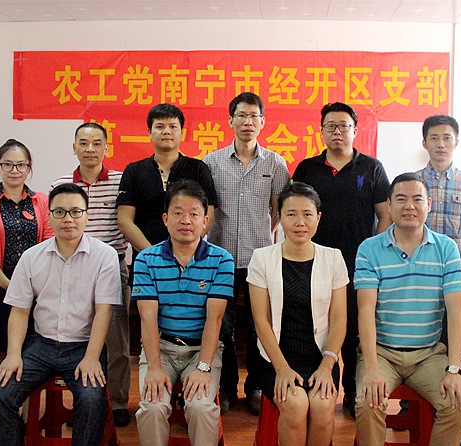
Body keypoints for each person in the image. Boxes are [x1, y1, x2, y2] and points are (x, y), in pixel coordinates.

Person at [0, 183, 122, 445]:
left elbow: (104, 311)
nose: (68, 219)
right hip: (40, 345)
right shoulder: (32, 257)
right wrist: (13, 354)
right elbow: (19, 311)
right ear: (49, 216)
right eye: (59, 212)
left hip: (83, 346)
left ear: (87, 216)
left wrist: (92, 357)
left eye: (75, 212)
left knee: (91, 401)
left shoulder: (105, 256)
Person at [354, 172, 461, 446]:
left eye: (417, 199)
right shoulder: (369, 249)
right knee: (368, 402)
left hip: (428, 355)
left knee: (458, 405)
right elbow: (365, 311)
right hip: (382, 354)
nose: (409, 206)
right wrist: (371, 368)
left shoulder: (446, 248)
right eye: (401, 199)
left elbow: (456, 311)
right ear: (389, 205)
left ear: (429, 204)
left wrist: (454, 368)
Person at [293, 102, 391, 417]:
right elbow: (295, 212)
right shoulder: (307, 169)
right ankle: (322, 387)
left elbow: (385, 215)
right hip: (314, 263)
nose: (337, 131)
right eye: (331, 126)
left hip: (357, 263)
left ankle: (351, 392)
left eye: (344, 126)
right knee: (317, 325)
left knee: (353, 329)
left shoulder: (372, 168)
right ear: (321, 131)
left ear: (355, 130)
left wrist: (373, 252)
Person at [203, 92, 290, 414]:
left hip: (260, 259)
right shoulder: (211, 163)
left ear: (263, 122)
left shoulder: (275, 164)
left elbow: (279, 209)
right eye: (241, 115)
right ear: (230, 121)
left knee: (259, 327)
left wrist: (266, 236)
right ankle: (225, 388)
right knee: (221, 327)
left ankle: (256, 386)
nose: (247, 122)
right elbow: (207, 209)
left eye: (254, 116)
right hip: (221, 257)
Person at [133, 179, 234, 446]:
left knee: (201, 407)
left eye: (193, 214)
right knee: (152, 407)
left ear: (205, 220)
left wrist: (203, 368)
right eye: (178, 213)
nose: (185, 220)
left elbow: (215, 318)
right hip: (161, 348)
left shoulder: (221, 260)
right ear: (165, 219)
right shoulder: (146, 260)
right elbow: (147, 318)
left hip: (202, 350)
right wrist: (154, 367)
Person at [248, 181, 348, 445]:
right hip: (274, 357)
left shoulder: (333, 258)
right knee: (295, 404)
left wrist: (327, 366)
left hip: (320, 356)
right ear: (280, 218)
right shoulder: (262, 258)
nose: (299, 222)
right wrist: (281, 369)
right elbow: (261, 321)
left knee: (323, 405)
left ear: (318, 218)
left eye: (307, 214)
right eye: (291, 214)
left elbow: (339, 320)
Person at [51, 122, 132, 427]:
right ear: (74, 147)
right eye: (83, 143)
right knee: (79, 340)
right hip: (72, 269)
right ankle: (85, 403)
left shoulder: (121, 181)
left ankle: (118, 401)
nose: (90, 149)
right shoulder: (61, 185)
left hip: (112, 269)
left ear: (106, 148)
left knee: (117, 341)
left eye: (97, 143)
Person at [0, 138, 54, 369]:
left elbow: (49, 244)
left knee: (35, 354)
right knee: (4, 354)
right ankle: (2, 393)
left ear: (29, 168)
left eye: (21, 165)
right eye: (7, 164)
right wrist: (9, 285)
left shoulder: (42, 201)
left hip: (37, 284)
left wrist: (31, 285)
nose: (14, 170)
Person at [117, 103, 218, 254]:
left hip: (190, 258)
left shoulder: (198, 168)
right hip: (146, 259)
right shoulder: (134, 170)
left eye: (172, 126)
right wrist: (153, 255)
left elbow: (208, 216)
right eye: (160, 127)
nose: (166, 132)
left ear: (182, 132)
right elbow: (125, 220)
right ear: (149, 132)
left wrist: (185, 249)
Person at [416, 114, 461, 262]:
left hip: (455, 262)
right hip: (419, 260)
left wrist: (452, 250)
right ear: (425, 143)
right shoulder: (414, 183)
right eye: (434, 138)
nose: (441, 144)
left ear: (456, 143)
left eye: (447, 138)